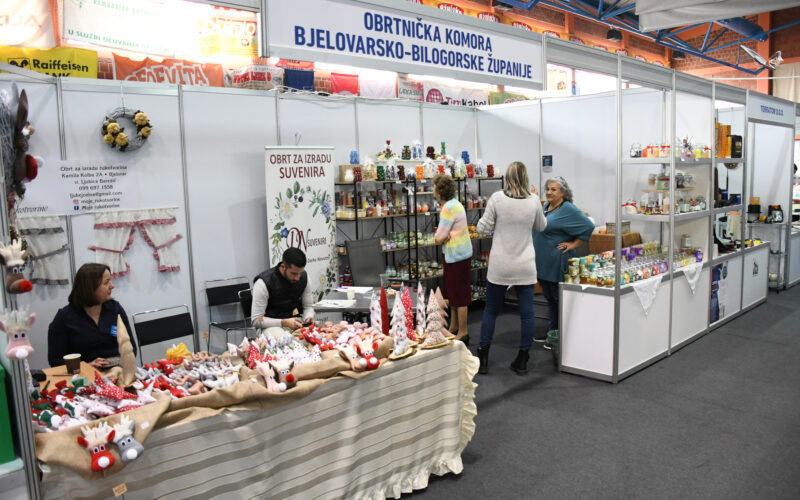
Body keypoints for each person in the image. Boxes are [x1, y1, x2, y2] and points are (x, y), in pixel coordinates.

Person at [475, 161, 547, 375]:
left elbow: (482, 228)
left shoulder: (497, 198)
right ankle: (523, 358)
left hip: (501, 265)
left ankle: (483, 355)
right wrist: (536, 202)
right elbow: (542, 226)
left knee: (491, 311)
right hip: (525, 265)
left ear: (507, 178)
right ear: (526, 178)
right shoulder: (533, 200)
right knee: (527, 314)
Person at [532, 177, 595, 338]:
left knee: (559, 300)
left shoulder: (568, 209)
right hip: (543, 262)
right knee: (550, 300)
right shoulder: (546, 206)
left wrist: (573, 244)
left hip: (556, 262)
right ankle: (553, 333)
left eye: (553, 189)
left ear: (563, 192)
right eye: (547, 189)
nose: (549, 192)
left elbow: (588, 225)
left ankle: (562, 336)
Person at [48, 263, 135, 368]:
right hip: (82, 375)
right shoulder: (64, 318)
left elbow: (131, 349)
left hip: (117, 370)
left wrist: (118, 364)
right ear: (90, 288)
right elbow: (55, 361)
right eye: (106, 282)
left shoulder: (115, 309)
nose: (112, 286)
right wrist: (86, 366)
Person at [433, 174, 472, 344]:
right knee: (455, 293)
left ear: (439, 190)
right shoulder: (456, 204)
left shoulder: (447, 209)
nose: (432, 189)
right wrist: (446, 234)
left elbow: (439, 237)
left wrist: (443, 235)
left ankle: (463, 331)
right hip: (460, 255)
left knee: (459, 295)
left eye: (434, 186)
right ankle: (455, 326)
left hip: (456, 257)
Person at [251, 247, 314, 331]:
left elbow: (308, 307)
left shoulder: (304, 278)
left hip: (296, 321)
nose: (298, 278)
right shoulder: (263, 284)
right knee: (284, 337)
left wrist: (308, 317)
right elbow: (257, 320)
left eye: (300, 273)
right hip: (271, 326)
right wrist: (283, 322)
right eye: (294, 273)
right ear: (283, 266)